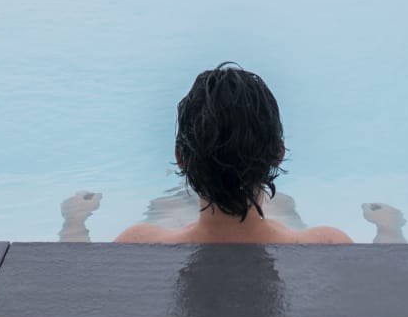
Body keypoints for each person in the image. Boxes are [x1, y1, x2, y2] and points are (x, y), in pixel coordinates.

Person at [115, 63, 353, 244]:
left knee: (166, 208)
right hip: (273, 229)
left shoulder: (136, 242)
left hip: (189, 221)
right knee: (282, 205)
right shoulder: (330, 243)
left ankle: (76, 218)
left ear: (180, 159)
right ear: (278, 154)